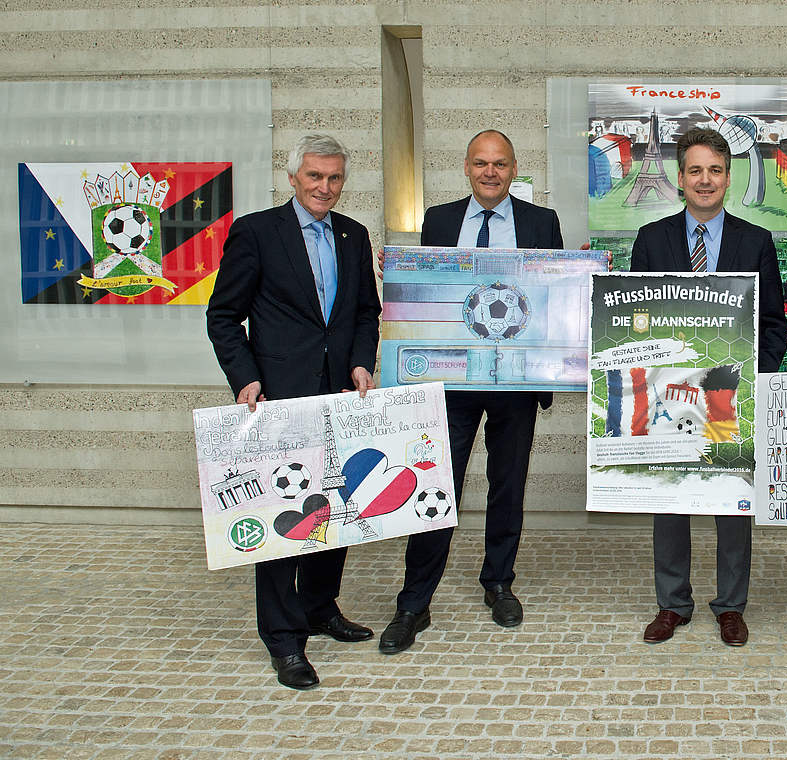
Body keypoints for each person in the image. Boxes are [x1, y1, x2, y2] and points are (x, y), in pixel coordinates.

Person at [206, 133, 381, 690]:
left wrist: (359, 362)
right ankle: (283, 639)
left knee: (337, 508)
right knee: (287, 521)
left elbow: (363, 314)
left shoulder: (354, 236)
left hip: (340, 399)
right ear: (293, 177)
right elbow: (223, 316)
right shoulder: (256, 232)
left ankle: (320, 609)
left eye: (333, 178)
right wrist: (247, 378)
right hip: (279, 401)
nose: (324, 187)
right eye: (314, 177)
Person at [379, 129, 564, 654]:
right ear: (466, 167)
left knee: (508, 487)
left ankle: (498, 583)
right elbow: (428, 293)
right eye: (481, 163)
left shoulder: (540, 222)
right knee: (437, 487)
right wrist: (398, 280)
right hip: (452, 381)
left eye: (500, 164)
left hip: (516, 381)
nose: (490, 172)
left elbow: (553, 298)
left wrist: (584, 279)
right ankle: (414, 603)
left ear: (513, 168)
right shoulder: (437, 221)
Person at [630, 127, 787, 647]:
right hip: (668, 392)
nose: (705, 180)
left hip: (730, 392)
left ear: (728, 177)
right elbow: (636, 319)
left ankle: (730, 605)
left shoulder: (755, 241)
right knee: (670, 498)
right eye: (695, 170)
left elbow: (773, 323)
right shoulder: (652, 241)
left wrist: (750, 377)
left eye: (715, 171)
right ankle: (673, 604)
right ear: (680, 178)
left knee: (730, 499)